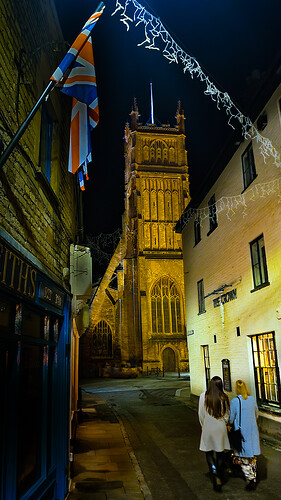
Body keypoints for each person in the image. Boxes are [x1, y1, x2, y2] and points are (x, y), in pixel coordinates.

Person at [198, 376, 230, 492]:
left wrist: (204, 425)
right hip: (220, 427)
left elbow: (201, 414)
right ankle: (219, 474)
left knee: (209, 452)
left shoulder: (204, 396)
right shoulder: (224, 397)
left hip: (208, 426)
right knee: (220, 452)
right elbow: (227, 415)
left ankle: (215, 473)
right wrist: (224, 423)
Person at [229, 380, 261, 490]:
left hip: (242, 432)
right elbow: (256, 413)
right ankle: (253, 476)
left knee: (243, 457)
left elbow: (231, 417)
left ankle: (250, 478)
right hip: (252, 430)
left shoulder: (235, 401)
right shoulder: (252, 399)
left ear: (237, 389)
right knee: (252, 456)